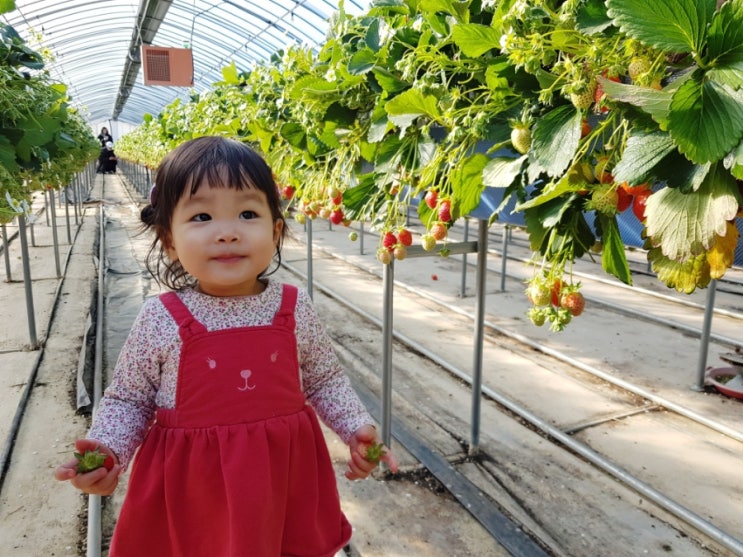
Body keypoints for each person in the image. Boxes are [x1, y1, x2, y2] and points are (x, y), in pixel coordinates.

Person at [54, 136, 397, 556]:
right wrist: (109, 450)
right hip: (195, 493)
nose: (228, 233)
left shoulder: (293, 308)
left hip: (281, 483)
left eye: (247, 213)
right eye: (201, 216)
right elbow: (130, 399)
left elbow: (324, 379)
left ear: (275, 231)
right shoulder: (162, 318)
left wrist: (355, 427)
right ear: (170, 241)